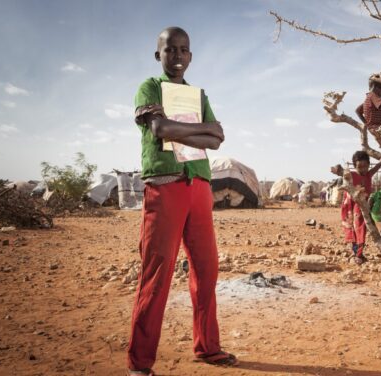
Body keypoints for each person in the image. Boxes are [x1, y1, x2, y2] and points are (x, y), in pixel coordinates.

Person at [127, 27, 238, 375]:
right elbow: (159, 130)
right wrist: (196, 129)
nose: (177, 56)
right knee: (157, 274)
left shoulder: (198, 94)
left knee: (206, 270)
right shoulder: (149, 88)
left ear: (191, 55)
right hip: (165, 186)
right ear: (158, 55)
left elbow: (218, 137)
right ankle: (139, 363)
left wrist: (181, 127)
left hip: (199, 186)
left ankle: (207, 347)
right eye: (170, 50)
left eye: (183, 50)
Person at [331, 150, 381, 264]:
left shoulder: (369, 174)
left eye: (365, 166)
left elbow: (378, 165)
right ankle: (357, 254)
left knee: (361, 229)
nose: (363, 169)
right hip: (351, 206)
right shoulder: (351, 175)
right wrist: (336, 169)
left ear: (368, 165)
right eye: (359, 167)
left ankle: (358, 253)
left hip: (363, 205)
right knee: (355, 229)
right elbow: (341, 172)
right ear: (354, 166)